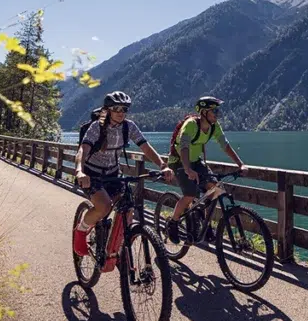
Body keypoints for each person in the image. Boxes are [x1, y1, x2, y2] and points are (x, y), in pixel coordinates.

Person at [73, 91, 174, 257]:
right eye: (116, 108)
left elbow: (146, 147)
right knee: (104, 206)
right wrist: (79, 171)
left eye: (124, 109)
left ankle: (118, 243)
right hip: (92, 174)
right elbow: (83, 149)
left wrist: (163, 165)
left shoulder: (129, 126)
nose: (121, 112)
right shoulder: (97, 126)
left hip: (113, 172)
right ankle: (81, 230)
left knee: (128, 207)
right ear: (108, 110)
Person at [164, 96, 246, 244]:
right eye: (214, 110)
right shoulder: (190, 125)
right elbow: (183, 147)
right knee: (190, 195)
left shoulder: (214, 126)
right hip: (179, 162)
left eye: (217, 110)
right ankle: (173, 223)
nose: (217, 113)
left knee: (214, 190)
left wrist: (240, 164)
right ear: (203, 112)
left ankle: (205, 224)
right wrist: (188, 169)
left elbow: (225, 145)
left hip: (196, 161)